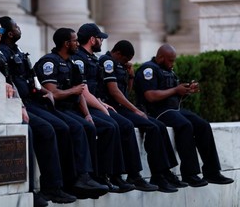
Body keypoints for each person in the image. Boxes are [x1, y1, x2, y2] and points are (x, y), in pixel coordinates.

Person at [0, 16, 108, 200]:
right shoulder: (3, 53)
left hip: (33, 101)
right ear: (9, 32)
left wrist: (41, 92)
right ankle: (55, 186)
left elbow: (33, 81)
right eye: (16, 26)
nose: (19, 28)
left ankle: (83, 178)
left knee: (79, 126)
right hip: (19, 104)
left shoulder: (18, 51)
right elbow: (10, 82)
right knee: (54, 129)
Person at [33, 27, 132, 194]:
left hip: (72, 108)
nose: (77, 44)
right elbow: (53, 94)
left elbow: (80, 94)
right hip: (56, 108)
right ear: (66, 43)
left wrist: (87, 115)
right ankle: (78, 178)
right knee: (77, 128)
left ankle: (92, 176)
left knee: (90, 125)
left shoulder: (71, 63)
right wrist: (73, 92)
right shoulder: (49, 61)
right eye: (74, 41)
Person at [72, 23, 159, 193]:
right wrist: (103, 108)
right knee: (113, 125)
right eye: (99, 38)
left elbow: (94, 90)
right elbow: (83, 91)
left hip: (95, 103)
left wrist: (102, 104)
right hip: (82, 106)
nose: (102, 42)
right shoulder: (79, 59)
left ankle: (128, 174)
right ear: (92, 39)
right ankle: (106, 175)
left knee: (124, 125)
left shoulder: (92, 59)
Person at [133, 43, 234, 187]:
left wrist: (186, 91)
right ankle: (189, 174)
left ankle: (212, 172)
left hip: (174, 109)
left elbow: (174, 95)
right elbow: (150, 96)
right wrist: (175, 90)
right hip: (157, 112)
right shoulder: (148, 69)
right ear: (160, 57)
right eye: (170, 60)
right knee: (185, 126)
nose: (172, 63)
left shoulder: (169, 70)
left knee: (203, 125)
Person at [98, 40, 189, 192]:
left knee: (158, 126)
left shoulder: (118, 64)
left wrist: (131, 77)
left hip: (121, 108)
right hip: (112, 108)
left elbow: (125, 91)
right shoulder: (107, 61)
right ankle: (140, 175)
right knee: (149, 127)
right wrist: (135, 110)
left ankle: (165, 172)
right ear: (118, 54)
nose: (127, 62)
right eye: (126, 59)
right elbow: (114, 92)